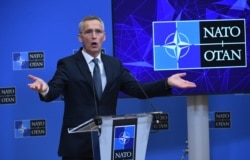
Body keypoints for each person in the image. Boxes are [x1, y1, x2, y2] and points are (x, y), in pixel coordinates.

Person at [27, 15, 196, 160]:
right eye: (88, 32)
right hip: (77, 147)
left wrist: (166, 82)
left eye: (98, 32)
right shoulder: (68, 65)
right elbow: (53, 91)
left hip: (108, 145)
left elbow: (138, 90)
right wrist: (44, 89)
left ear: (104, 36)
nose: (94, 36)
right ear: (80, 37)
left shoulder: (114, 64)